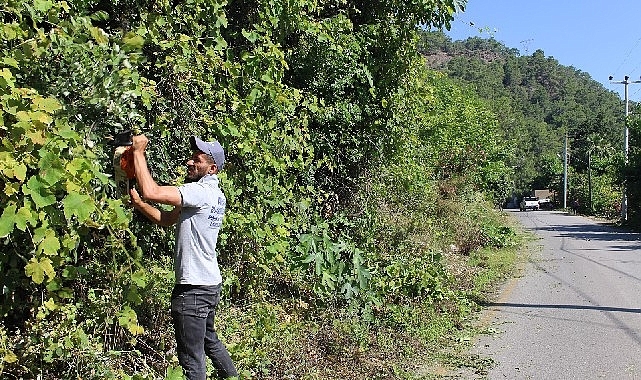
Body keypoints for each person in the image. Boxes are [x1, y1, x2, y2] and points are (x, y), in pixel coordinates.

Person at [128, 134, 238, 380]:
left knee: (192, 360)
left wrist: (138, 152)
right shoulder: (214, 194)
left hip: (193, 289)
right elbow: (166, 219)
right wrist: (138, 205)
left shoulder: (199, 192)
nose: (189, 162)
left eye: (196, 160)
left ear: (212, 168)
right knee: (210, 342)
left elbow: (152, 191)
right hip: (209, 284)